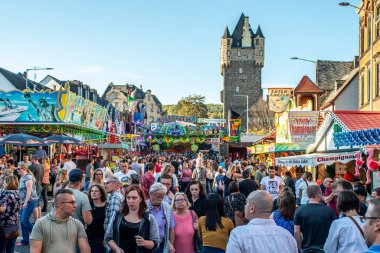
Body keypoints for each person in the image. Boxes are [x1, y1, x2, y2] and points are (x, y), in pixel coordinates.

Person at [226, 190, 297, 253]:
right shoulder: (288, 236)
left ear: (252, 208)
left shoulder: (238, 235)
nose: (244, 207)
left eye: (246, 204)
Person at [30, 189, 91, 253]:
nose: (75, 206)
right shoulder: (40, 224)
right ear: (61, 205)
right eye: (72, 202)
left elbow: (85, 248)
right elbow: (35, 250)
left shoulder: (77, 224)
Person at [105, 185, 160, 253]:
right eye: (128, 198)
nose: (131, 201)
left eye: (134, 198)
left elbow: (156, 243)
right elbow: (108, 237)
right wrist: (116, 248)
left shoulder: (149, 218)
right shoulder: (117, 215)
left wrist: (145, 242)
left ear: (140, 199)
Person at [294, 185, 336, 252]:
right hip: (324, 249)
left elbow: (296, 232)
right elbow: (334, 231)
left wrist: (299, 246)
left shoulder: (299, 210)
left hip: (306, 248)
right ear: (318, 194)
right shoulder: (329, 210)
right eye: (321, 193)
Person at [147, 183, 176, 253]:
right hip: (145, 244)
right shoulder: (144, 207)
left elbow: (171, 228)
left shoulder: (167, 208)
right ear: (150, 194)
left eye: (162, 197)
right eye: (158, 196)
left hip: (159, 246)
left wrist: (171, 245)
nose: (160, 199)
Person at [17, 163, 39, 247]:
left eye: (18, 169)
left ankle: (37, 234)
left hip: (30, 201)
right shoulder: (22, 177)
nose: (17, 170)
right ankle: (25, 241)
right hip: (24, 202)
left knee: (24, 220)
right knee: (22, 222)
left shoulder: (28, 178)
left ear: (23, 169)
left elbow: (29, 191)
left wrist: (25, 202)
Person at [0, 175, 22, 253]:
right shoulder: (17, 194)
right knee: (11, 249)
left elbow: (2, 208)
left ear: (8, 183)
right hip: (15, 225)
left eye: (4, 182)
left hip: (5, 225)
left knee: (2, 248)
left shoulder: (5, 194)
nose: (3, 183)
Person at [86, 184, 107, 253]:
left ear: (101, 193)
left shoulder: (107, 206)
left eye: (96, 191)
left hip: (102, 239)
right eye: (92, 191)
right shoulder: (88, 205)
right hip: (89, 238)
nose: (93, 192)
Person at [30, 155, 44, 219]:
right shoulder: (41, 166)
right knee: (38, 203)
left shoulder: (33, 166)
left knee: (35, 204)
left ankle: (36, 221)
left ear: (34, 159)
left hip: (35, 186)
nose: (30, 160)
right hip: (40, 185)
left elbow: (30, 176)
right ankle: (39, 218)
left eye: (31, 159)